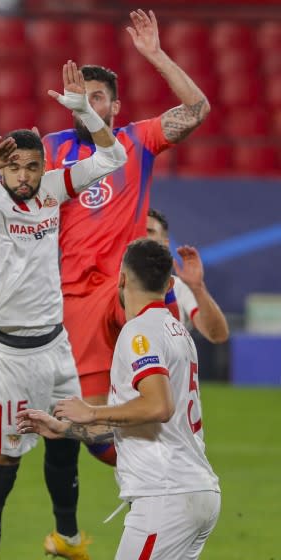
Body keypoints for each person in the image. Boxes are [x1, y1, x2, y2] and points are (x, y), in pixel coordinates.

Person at [0, 61, 127, 560]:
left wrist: (85, 111)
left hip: (56, 344)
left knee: (66, 446)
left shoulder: (53, 189)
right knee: (3, 463)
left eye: (30, 165)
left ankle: (66, 542)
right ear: (2, 168)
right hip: (10, 354)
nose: (22, 176)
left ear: (43, 165)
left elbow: (114, 156)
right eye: (14, 167)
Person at [41, 10, 212, 466]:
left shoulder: (138, 141)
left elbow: (198, 111)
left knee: (167, 393)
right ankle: (149, 474)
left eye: (97, 98)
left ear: (115, 107)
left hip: (132, 287)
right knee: (95, 430)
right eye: (80, 97)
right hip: (77, 294)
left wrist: (155, 55)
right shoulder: (50, 149)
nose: (88, 104)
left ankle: (177, 464)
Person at [17, 238, 221, 560]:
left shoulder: (138, 332)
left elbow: (158, 407)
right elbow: (141, 421)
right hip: (193, 492)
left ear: (122, 279)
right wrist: (64, 429)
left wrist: (92, 412)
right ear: (169, 284)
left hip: (165, 497)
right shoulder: (176, 331)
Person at [146, 209, 229, 343]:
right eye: (136, 231)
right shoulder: (111, 286)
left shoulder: (180, 288)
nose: (142, 237)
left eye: (149, 231)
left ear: (165, 245)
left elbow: (218, 335)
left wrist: (197, 288)